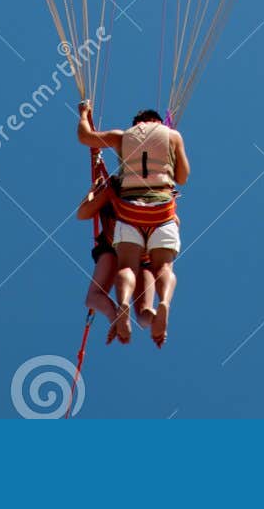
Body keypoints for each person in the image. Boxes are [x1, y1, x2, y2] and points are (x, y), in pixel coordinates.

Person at [78, 102, 190, 346]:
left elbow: (85, 137)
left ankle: (122, 304)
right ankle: (163, 304)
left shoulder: (122, 137)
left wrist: (84, 113)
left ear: (137, 124)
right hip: (161, 213)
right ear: (158, 121)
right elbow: (182, 177)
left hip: (130, 214)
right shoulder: (172, 136)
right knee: (163, 270)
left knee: (126, 268)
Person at [75, 172, 156, 341]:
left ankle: (115, 317)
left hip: (114, 246)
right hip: (144, 251)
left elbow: (82, 214)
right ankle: (151, 315)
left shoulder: (111, 190)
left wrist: (94, 192)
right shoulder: (156, 195)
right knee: (143, 311)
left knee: (94, 296)